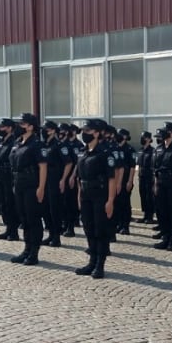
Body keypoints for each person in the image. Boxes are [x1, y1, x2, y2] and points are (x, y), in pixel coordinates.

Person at [74, 118, 116, 278]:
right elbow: (79, 177)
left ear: (97, 133)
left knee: (100, 230)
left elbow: (112, 178)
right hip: (85, 194)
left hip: (100, 195)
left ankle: (100, 264)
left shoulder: (106, 153)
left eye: (88, 131)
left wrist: (110, 200)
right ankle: (91, 261)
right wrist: (79, 196)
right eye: (84, 130)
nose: (85, 133)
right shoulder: (83, 152)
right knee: (89, 228)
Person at [9, 113, 48, 266]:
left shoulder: (37, 144)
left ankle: (34, 253)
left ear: (31, 127)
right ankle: (26, 249)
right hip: (19, 183)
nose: (19, 127)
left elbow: (43, 167)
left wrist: (41, 188)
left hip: (32, 185)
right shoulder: (18, 142)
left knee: (33, 219)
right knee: (24, 219)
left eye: (23, 124)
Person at [0, 119, 20, 241]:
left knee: (10, 204)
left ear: (9, 128)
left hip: (8, 176)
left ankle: (13, 231)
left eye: (3, 127)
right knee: (3, 204)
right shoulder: (1, 142)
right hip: (0, 176)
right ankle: (8, 228)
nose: (0, 129)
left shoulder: (14, 142)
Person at [137, 131, 155, 224]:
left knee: (149, 197)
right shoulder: (140, 150)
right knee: (143, 196)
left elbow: (153, 166)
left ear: (148, 139)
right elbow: (139, 164)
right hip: (141, 176)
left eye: (144, 137)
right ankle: (145, 215)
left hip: (149, 177)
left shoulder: (152, 151)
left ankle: (150, 216)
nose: (142, 139)